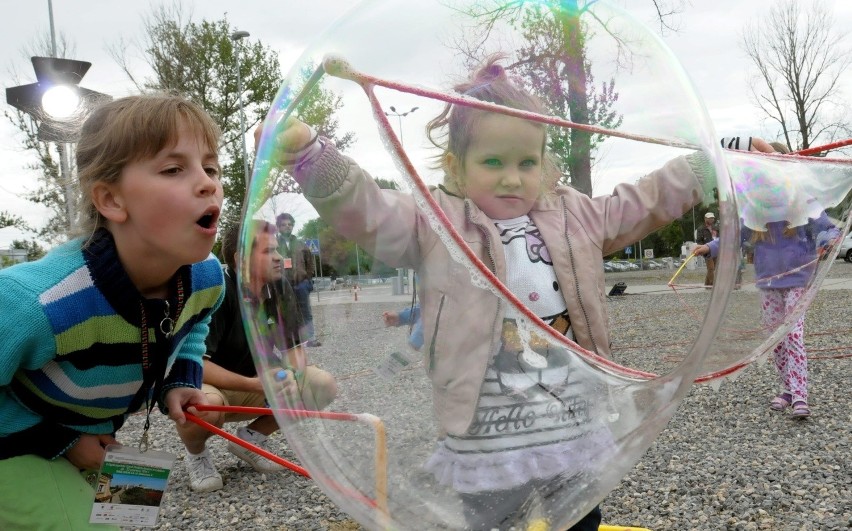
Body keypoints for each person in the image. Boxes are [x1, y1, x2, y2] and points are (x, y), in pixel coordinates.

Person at [260, 56, 720, 530]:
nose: (511, 177)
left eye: (526, 162)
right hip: (486, 441)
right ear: (458, 168)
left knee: (580, 522)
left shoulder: (575, 215)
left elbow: (643, 199)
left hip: (572, 426)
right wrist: (308, 155)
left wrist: (713, 165)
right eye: (493, 161)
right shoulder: (435, 224)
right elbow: (369, 210)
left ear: (544, 164)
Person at [0, 94, 227, 529]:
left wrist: (181, 378)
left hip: (96, 438)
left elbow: (194, 324)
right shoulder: (36, 304)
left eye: (211, 167)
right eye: (174, 169)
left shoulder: (206, 279)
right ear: (111, 200)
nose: (207, 183)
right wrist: (61, 441)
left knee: (126, 521)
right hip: (15, 442)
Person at [176, 221, 337, 492]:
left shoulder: (280, 288)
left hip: (258, 383)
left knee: (322, 384)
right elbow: (196, 366)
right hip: (214, 386)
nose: (278, 258)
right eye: (269, 251)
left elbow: (293, 349)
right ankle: (197, 455)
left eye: (278, 250)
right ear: (241, 259)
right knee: (200, 405)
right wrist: (256, 384)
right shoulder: (217, 290)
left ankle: (250, 439)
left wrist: (291, 376)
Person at [695, 138, 838, 419]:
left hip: (798, 280)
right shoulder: (757, 209)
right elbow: (734, 235)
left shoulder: (802, 203)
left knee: (793, 335)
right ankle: (786, 388)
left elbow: (828, 228)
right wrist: (710, 247)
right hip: (769, 283)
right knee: (775, 339)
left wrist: (829, 240)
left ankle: (800, 395)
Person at [275, 212, 321, 346]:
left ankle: (310, 339)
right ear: (278, 227)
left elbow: (310, 262)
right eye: (283, 225)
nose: (287, 227)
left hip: (301, 284)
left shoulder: (301, 244)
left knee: (306, 311)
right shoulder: (275, 245)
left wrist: (308, 280)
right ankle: (292, 341)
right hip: (283, 285)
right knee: (286, 313)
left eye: (290, 224)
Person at [695, 211, 718, 287]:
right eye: (709, 218)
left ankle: (707, 284)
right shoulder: (701, 229)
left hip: (716, 249)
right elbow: (698, 241)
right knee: (711, 268)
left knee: (713, 268)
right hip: (707, 250)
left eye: (712, 218)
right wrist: (703, 249)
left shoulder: (716, 228)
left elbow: (720, 238)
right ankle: (712, 285)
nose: (711, 219)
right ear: (705, 219)